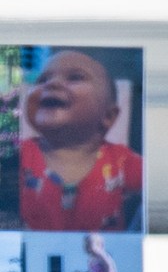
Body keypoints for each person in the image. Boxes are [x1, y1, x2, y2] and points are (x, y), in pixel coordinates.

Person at [8, 50, 144, 233]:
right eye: (42, 80)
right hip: (34, 257)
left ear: (108, 116)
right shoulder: (18, 156)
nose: (52, 83)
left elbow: (163, 187)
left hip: (98, 259)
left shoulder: (122, 161)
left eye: (75, 77)